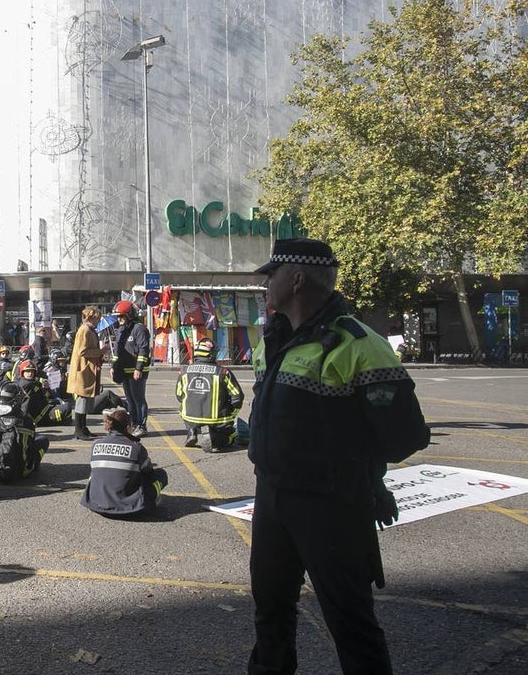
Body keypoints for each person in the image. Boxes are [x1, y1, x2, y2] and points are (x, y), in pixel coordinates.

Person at [248, 237, 430, 674]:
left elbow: (404, 436)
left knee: (350, 622)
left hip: (332, 504)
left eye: (271, 274)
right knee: (270, 613)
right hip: (273, 497)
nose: (265, 283)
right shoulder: (271, 339)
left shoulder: (358, 343)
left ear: (295, 280)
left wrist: (356, 471)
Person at [80, 407, 167, 519]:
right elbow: (148, 472)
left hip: (95, 503)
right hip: (129, 508)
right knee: (161, 475)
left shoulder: (96, 445)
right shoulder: (136, 448)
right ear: (128, 427)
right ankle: (151, 500)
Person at [176, 339, 245, 452]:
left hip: (190, 418)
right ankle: (213, 438)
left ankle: (192, 432)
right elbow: (237, 397)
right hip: (217, 420)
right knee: (231, 437)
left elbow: (179, 396)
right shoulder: (222, 372)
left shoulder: (184, 371)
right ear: (211, 354)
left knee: (185, 411)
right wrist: (231, 415)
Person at [0, 383, 49, 482]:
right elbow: (31, 443)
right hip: (22, 472)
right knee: (43, 440)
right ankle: (33, 465)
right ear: (16, 400)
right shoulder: (26, 421)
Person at [110, 300, 151, 438]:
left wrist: (139, 368)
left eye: (121, 316)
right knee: (130, 400)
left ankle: (142, 426)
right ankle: (133, 423)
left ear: (129, 315)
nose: (119, 319)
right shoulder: (121, 330)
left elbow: (143, 350)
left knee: (139, 400)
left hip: (136, 372)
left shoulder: (139, 329)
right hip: (124, 371)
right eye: (118, 316)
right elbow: (117, 351)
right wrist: (113, 366)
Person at [66, 306, 103, 441]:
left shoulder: (88, 330)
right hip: (83, 370)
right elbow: (83, 351)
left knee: (85, 401)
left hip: (87, 369)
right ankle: (79, 429)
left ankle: (83, 428)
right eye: (97, 318)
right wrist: (100, 352)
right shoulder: (85, 330)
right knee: (82, 401)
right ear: (91, 317)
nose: (99, 321)